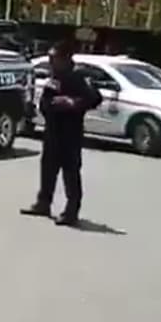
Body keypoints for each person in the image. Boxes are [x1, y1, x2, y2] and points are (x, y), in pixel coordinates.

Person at [21, 39, 102, 226]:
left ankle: (71, 212)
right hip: (52, 129)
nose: (50, 61)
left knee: (70, 171)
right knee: (48, 168)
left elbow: (94, 98)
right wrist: (47, 106)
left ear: (65, 58)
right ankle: (43, 203)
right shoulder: (54, 76)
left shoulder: (78, 76)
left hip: (70, 132)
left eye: (53, 58)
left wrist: (72, 103)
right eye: (49, 57)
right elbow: (46, 100)